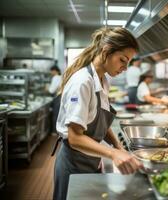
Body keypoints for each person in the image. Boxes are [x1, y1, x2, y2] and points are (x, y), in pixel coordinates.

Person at [53, 27, 143, 200]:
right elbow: (75, 138)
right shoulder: (82, 82)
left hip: (91, 160)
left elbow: (101, 120)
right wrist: (112, 154)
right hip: (73, 164)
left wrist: (118, 147)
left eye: (128, 62)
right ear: (106, 51)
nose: (125, 68)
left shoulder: (102, 80)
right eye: (122, 60)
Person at [48, 65, 62, 132]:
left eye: (51, 71)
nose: (51, 73)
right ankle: (58, 130)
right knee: (59, 115)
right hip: (60, 97)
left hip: (57, 98)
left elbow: (51, 90)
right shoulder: (61, 77)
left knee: (55, 114)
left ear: (54, 71)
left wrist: (46, 88)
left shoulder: (55, 78)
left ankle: (54, 131)